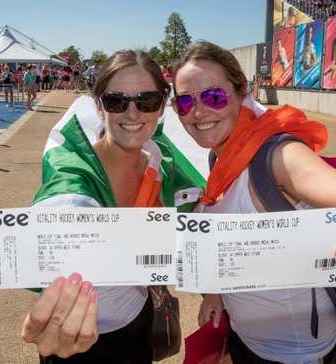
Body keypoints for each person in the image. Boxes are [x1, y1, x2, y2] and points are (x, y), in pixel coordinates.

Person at [171, 40, 336, 363]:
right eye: (185, 103)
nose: (199, 112)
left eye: (214, 97)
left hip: (296, 354)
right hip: (246, 340)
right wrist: (217, 292)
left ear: (243, 92)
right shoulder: (219, 160)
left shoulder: (278, 157)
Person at [21, 49, 204, 363]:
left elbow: (203, 218)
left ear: (161, 108)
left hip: (140, 320)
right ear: (97, 105)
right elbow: (57, 207)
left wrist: (214, 290)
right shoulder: (73, 176)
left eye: (146, 101)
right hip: (78, 337)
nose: (132, 114)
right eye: (116, 101)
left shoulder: (164, 163)